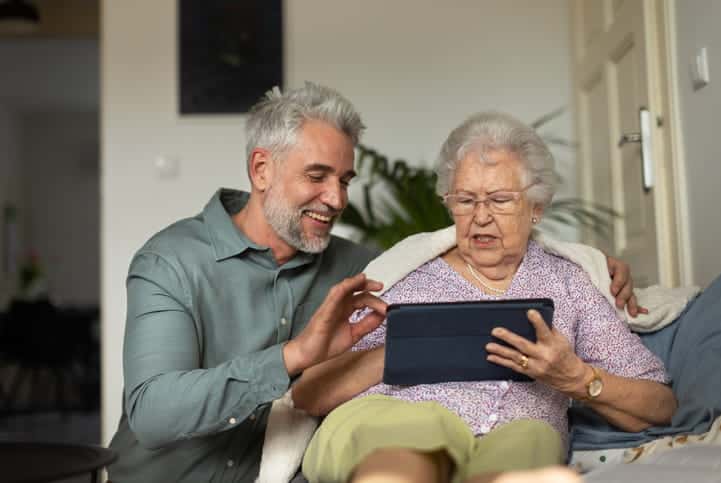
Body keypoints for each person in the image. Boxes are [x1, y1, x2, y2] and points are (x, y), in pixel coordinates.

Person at [107, 83, 637, 483]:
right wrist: (292, 356)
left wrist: (592, 265)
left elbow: (462, 251)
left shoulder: (369, 268)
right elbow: (153, 414)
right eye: (317, 176)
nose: (336, 199)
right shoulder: (172, 261)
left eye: (344, 180)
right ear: (262, 169)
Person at [293, 111, 677, 483]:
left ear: (536, 208)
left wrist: (577, 379)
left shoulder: (569, 284)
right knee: (418, 438)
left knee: (531, 441)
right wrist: (412, 348)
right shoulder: (405, 277)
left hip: (518, 432)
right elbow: (308, 395)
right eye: (465, 200)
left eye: (500, 200)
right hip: (393, 419)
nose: (480, 217)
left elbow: (659, 405)